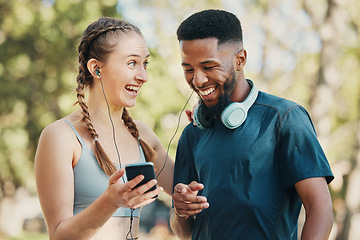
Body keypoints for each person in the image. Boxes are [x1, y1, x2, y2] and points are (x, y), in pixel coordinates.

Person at [170, 9, 334, 240]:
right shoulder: (193, 133)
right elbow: (184, 232)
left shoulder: (285, 119)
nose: (197, 80)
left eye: (208, 67)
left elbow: (320, 209)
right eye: (188, 69)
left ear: (240, 59)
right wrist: (180, 211)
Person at [34, 17, 174, 240]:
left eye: (145, 63)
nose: (143, 76)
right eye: (132, 63)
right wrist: (110, 201)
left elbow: (183, 191)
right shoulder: (60, 136)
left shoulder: (143, 135)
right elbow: (58, 235)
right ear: (96, 68)